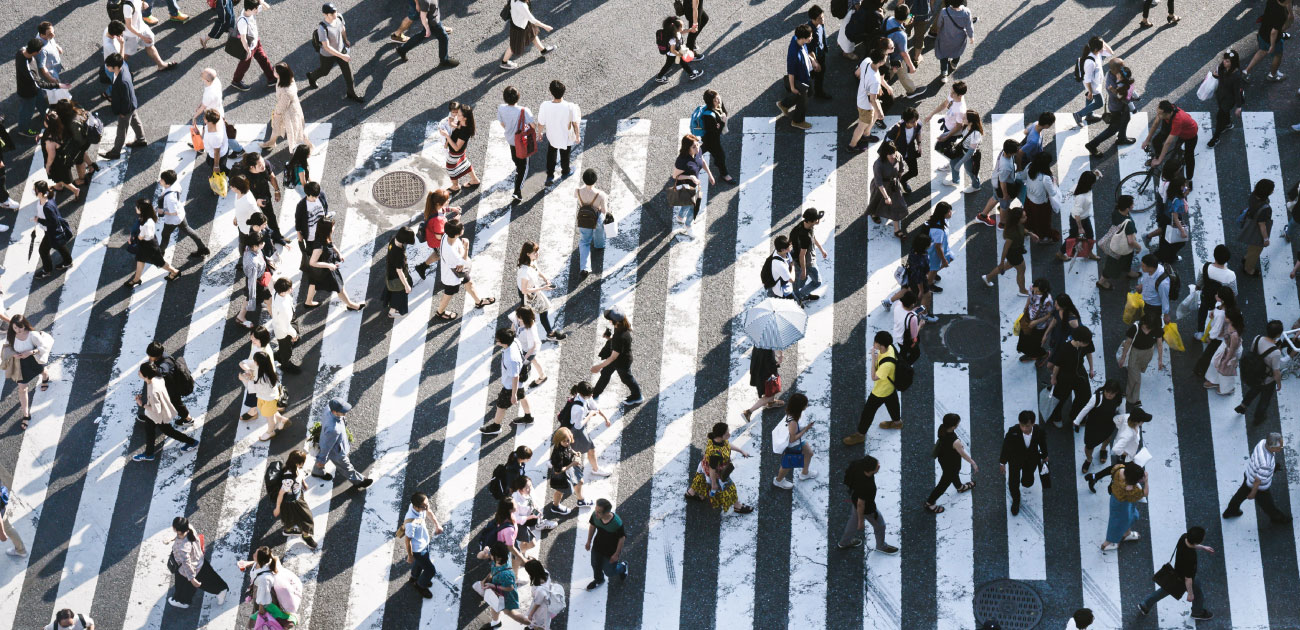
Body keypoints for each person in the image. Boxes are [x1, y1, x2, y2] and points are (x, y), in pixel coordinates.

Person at [1136, 526, 1214, 620]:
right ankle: (1197, 612)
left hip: (1177, 572)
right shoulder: (1190, 557)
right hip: (1186, 578)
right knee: (1197, 593)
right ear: (1198, 541)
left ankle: (1145, 605)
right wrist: (1190, 594)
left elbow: (1191, 544)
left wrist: (1202, 547)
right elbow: (1188, 579)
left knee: (1166, 589)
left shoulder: (1184, 537)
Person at [847, 331, 903, 444]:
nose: (874, 345)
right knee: (892, 403)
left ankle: (860, 434)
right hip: (890, 386)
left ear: (881, 346)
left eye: (876, 344)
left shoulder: (887, 365)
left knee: (868, 411)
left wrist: (873, 359)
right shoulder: (890, 347)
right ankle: (897, 423)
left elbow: (874, 377)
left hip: (881, 390)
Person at [685, 422, 754, 513]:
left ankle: (691, 493)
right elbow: (712, 469)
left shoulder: (715, 439)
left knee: (701, 479)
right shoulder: (715, 454)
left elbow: (727, 445)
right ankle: (737, 506)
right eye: (726, 434)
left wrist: (741, 451)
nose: (729, 434)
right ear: (720, 436)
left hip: (703, 465)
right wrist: (714, 484)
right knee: (730, 487)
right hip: (717, 473)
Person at [1223, 434, 1292, 523]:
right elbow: (1258, 480)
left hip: (1249, 474)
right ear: (1271, 447)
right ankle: (1277, 518)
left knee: (1240, 494)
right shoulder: (1266, 463)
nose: (1281, 448)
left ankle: (1231, 510)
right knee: (1268, 504)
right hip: (1259, 487)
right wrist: (1253, 493)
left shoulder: (1262, 442)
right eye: (1279, 447)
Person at [837, 455, 900, 552]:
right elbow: (861, 505)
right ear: (870, 470)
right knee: (880, 525)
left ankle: (844, 542)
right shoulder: (867, 486)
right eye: (877, 466)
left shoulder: (857, 464)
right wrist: (861, 522)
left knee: (853, 522)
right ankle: (881, 546)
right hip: (867, 509)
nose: (879, 465)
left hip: (855, 498)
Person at [434, 219, 493, 319]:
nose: (463, 228)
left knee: (469, 283)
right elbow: (463, 261)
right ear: (457, 234)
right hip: (452, 276)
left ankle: (478, 301)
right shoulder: (451, 251)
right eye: (462, 228)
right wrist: (466, 247)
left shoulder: (446, 235)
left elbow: (460, 260)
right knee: (448, 294)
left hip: (457, 270)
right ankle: (440, 312)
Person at [1083, 408, 1150, 492]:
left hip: (1127, 454)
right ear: (1136, 421)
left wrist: (1121, 429)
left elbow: (1116, 419)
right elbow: (1115, 450)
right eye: (1142, 421)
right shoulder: (1128, 434)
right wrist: (1124, 453)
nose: (1143, 422)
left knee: (1115, 468)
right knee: (1121, 472)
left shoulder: (1127, 417)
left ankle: (1094, 477)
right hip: (1125, 457)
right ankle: (1109, 485)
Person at [166, 516, 228, 608]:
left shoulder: (182, 548)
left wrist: (192, 579)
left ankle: (182, 601)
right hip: (199, 560)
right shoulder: (190, 528)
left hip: (189, 569)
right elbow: (182, 536)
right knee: (210, 577)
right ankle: (221, 589)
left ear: (176, 529)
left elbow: (186, 564)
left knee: (183, 585)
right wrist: (172, 539)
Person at [311, 398, 373, 488]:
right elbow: (327, 446)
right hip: (337, 451)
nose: (345, 413)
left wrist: (321, 459)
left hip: (330, 441)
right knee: (346, 467)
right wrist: (321, 460)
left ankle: (317, 472)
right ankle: (359, 481)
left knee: (324, 457)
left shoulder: (328, 409)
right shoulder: (333, 429)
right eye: (342, 411)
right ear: (334, 411)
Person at [305, 218, 365, 310]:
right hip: (326, 269)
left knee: (313, 283)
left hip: (319, 270)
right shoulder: (319, 247)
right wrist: (329, 265)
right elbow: (312, 262)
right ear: (327, 229)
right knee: (339, 287)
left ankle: (308, 302)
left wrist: (338, 253)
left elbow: (331, 245)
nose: (334, 227)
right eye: (332, 226)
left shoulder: (322, 236)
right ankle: (351, 305)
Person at [482, 328, 533, 436]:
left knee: (501, 406)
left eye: (497, 340)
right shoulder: (515, 341)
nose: (496, 341)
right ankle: (528, 417)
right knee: (522, 396)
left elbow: (515, 377)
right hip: (519, 383)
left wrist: (513, 395)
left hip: (510, 387)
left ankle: (496, 426)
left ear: (503, 342)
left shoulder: (511, 359)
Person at [923, 413, 978, 514]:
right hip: (952, 463)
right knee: (943, 484)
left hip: (943, 459)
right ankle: (929, 503)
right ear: (953, 426)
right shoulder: (955, 441)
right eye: (957, 424)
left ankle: (960, 487)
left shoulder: (942, 428)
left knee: (953, 475)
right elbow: (963, 454)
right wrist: (973, 463)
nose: (958, 425)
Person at [306, 4, 362, 103]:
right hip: (328, 55)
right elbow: (327, 47)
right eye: (331, 13)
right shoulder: (322, 28)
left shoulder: (339, 17)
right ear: (325, 14)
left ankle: (351, 92)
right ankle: (311, 77)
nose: (334, 14)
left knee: (348, 73)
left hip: (341, 50)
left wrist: (346, 40)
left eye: (335, 11)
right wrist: (342, 56)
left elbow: (342, 29)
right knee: (324, 71)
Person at [1084, 57, 1136, 156]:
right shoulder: (1111, 83)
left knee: (1126, 119)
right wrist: (1130, 96)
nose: (1124, 68)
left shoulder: (1115, 73)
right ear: (1115, 70)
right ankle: (1092, 144)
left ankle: (1121, 138)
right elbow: (1120, 97)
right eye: (1122, 67)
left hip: (1122, 107)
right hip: (1117, 108)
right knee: (1113, 129)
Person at [999, 410, 1047, 516]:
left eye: (1027, 426)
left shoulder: (1039, 431)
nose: (1024, 429)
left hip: (1031, 460)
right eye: (1022, 425)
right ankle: (1016, 501)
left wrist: (1045, 456)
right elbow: (1006, 447)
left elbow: (1043, 444)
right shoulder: (1013, 431)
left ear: (1033, 424)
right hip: (1015, 460)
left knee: (1027, 482)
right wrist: (1002, 463)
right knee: (1013, 483)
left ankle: (1026, 480)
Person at [591, 308, 643, 407]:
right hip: (619, 359)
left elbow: (613, 357)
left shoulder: (620, 336)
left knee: (627, 379)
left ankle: (637, 396)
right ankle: (596, 393)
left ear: (613, 321)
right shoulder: (621, 326)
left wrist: (598, 366)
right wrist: (610, 338)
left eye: (609, 319)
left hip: (621, 363)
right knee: (605, 374)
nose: (609, 320)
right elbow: (618, 347)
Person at [6, 315, 50, 429]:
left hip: (33, 360)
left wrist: (31, 352)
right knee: (22, 388)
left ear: (25, 325)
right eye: (15, 328)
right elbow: (10, 347)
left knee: (43, 372)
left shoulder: (32, 335)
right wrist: (14, 354)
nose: (18, 330)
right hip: (21, 364)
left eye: (20, 327)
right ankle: (26, 414)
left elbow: (44, 347)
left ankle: (45, 378)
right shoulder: (11, 335)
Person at [100, 53, 147, 160]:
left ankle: (115, 152)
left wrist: (122, 113)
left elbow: (125, 99)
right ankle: (141, 139)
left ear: (115, 67)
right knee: (135, 120)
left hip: (125, 108)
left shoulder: (122, 81)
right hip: (131, 104)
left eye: (108, 66)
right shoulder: (123, 67)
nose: (106, 67)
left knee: (121, 130)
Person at [1237, 320, 1284, 424]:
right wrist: (1279, 384)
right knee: (1264, 399)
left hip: (1254, 372)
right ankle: (1258, 418)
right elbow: (1276, 372)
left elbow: (1253, 352)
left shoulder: (1258, 338)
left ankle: (1243, 405)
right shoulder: (1275, 352)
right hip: (1266, 379)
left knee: (1254, 389)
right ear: (1278, 334)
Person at [1045, 326, 1094, 427]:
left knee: (1084, 396)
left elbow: (1089, 353)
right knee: (1060, 398)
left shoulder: (1087, 342)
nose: (1087, 344)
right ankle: (1056, 417)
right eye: (1085, 343)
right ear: (1078, 341)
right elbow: (1057, 366)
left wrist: (1091, 368)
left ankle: (1077, 416)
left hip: (1080, 372)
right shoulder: (1064, 348)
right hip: (1064, 375)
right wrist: (1054, 378)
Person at [1072, 379, 1124, 473]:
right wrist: (1077, 421)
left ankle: (1103, 449)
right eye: (1107, 392)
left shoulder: (1119, 400)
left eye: (1111, 394)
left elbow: (1121, 413)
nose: (1108, 395)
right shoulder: (1096, 398)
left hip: (1108, 424)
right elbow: (1086, 409)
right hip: (1093, 425)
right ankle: (1089, 459)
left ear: (1116, 392)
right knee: (1089, 445)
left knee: (1107, 438)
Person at [13, 39, 63, 138]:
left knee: (42, 102)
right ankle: (23, 130)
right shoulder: (28, 67)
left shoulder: (21, 51)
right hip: (28, 93)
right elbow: (39, 83)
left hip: (34, 88)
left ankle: (48, 117)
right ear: (35, 52)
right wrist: (58, 85)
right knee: (27, 111)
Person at [517, 242, 565, 340]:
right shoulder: (524, 271)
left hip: (534, 291)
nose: (537, 254)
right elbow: (524, 290)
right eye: (535, 252)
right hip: (528, 295)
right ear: (528, 254)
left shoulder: (532, 261)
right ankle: (519, 332)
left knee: (541, 311)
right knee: (528, 316)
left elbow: (537, 270)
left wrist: (545, 279)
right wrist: (542, 288)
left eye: (537, 251)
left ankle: (550, 333)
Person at [155, 170, 209, 258]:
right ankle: (202, 248)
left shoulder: (169, 198)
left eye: (162, 179)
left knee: (165, 235)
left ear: (167, 183)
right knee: (188, 229)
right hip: (181, 214)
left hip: (172, 219)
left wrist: (162, 211)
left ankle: (161, 252)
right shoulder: (176, 185)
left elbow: (174, 212)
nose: (160, 180)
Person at [536, 80, 580, 186]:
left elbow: (541, 123)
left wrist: (540, 133)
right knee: (565, 156)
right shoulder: (570, 106)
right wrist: (577, 136)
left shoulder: (545, 105)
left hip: (552, 137)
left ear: (551, 92)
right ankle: (565, 171)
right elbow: (575, 124)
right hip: (566, 138)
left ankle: (550, 175)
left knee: (551, 154)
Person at [473, 543, 529, 626]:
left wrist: (493, 586)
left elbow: (510, 588)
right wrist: (484, 552)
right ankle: (496, 622)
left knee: (509, 612)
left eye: (491, 554)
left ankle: (533, 625)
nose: (489, 555)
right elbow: (479, 556)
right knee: (495, 605)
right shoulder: (503, 555)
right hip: (498, 590)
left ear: (496, 558)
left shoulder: (506, 575)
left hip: (505, 595)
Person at [1116, 312, 1164, 408]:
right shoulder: (1135, 328)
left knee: (1138, 370)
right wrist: (1123, 357)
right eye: (1146, 326)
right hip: (1135, 352)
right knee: (1136, 378)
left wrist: (1160, 360)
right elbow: (1128, 343)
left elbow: (1159, 344)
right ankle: (1133, 399)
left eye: (1150, 328)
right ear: (1143, 322)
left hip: (1148, 353)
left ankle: (1131, 371)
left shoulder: (1157, 328)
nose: (1148, 330)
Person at [238, 352, 289, 441]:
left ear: (258, 363)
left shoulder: (262, 378)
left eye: (254, 361)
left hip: (268, 399)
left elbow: (253, 389)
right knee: (269, 411)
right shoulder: (268, 369)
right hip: (268, 397)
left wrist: (244, 379)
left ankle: (270, 432)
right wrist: (250, 376)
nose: (253, 362)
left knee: (270, 418)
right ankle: (281, 419)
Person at [242, 546, 298, 627]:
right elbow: (256, 562)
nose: (253, 554)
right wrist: (248, 563)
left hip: (264, 595)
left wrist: (261, 614)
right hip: (261, 590)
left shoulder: (264, 580)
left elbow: (263, 600)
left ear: (260, 560)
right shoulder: (265, 562)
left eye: (255, 554)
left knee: (263, 620)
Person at [669, 135, 712, 239]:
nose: (697, 148)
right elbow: (675, 176)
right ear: (687, 147)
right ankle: (688, 226)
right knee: (694, 207)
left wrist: (710, 175)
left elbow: (702, 160)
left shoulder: (698, 151)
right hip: (685, 188)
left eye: (697, 145)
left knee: (689, 205)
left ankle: (680, 217)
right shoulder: (682, 160)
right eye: (693, 147)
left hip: (695, 185)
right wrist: (690, 177)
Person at [402, 492, 444, 599]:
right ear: (415, 506)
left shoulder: (421, 507)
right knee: (430, 570)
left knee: (420, 563)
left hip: (424, 543)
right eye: (423, 506)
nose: (426, 507)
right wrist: (410, 556)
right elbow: (408, 541)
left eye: (427, 503)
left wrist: (437, 525)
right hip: (418, 550)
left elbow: (429, 512)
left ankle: (414, 578)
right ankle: (420, 585)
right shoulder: (411, 524)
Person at [261, 63, 310, 152]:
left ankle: (303, 148)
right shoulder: (288, 79)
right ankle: (272, 142)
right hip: (292, 108)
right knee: (279, 127)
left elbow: (283, 105)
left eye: (275, 71)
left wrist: (277, 113)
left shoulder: (286, 91)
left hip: (289, 113)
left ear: (280, 74)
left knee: (294, 132)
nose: (273, 72)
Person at [274, 449, 317, 548]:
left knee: (289, 518)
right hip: (292, 501)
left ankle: (288, 531)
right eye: (302, 462)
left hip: (297, 495)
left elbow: (299, 475)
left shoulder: (293, 468)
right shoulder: (288, 479)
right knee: (307, 519)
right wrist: (277, 508)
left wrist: (303, 483)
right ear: (298, 463)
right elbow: (281, 494)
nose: (303, 464)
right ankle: (305, 536)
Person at [1095, 195, 1140, 291]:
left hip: (1117, 239)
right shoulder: (1128, 224)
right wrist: (1138, 247)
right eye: (1132, 204)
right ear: (1128, 207)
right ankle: (1102, 282)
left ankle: (1127, 271)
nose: (1133, 205)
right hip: (1120, 246)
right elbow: (1131, 241)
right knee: (1112, 264)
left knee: (1127, 258)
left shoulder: (1116, 212)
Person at [498, 87, 534, 203]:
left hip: (511, 139)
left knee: (515, 157)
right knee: (524, 166)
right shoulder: (524, 111)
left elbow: (502, 123)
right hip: (522, 142)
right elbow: (532, 126)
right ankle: (517, 190)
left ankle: (517, 166)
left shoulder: (501, 108)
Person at [1145, 101, 1198, 182]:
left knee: (1189, 157)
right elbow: (1156, 123)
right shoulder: (1166, 110)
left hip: (1190, 133)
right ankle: (1158, 157)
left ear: (1168, 113)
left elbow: (1168, 143)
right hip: (1173, 124)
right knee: (1156, 140)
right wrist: (1147, 140)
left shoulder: (1178, 120)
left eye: (1160, 114)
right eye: (1157, 112)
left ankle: (1189, 179)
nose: (1158, 116)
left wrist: (1159, 161)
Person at [395, 0, 459, 67]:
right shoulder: (425, 2)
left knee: (422, 35)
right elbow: (423, 17)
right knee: (444, 38)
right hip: (433, 23)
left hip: (433, 19)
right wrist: (427, 29)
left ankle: (402, 50)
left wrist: (416, 3)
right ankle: (444, 60)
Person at [412, 188, 458, 281]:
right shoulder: (438, 220)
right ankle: (454, 274)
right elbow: (439, 236)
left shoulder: (432, 208)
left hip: (432, 239)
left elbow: (442, 210)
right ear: (438, 203)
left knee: (438, 255)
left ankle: (422, 267)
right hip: (438, 241)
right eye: (446, 200)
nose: (448, 200)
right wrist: (455, 223)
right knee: (448, 256)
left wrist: (452, 209)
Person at [1100, 462, 1147, 552]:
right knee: (1118, 522)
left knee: (1125, 518)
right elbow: (1144, 493)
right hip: (1123, 504)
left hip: (1116, 498)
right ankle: (1108, 542)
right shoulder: (1132, 490)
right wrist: (1146, 481)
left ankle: (1126, 533)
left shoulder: (1119, 468)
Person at [230, 0, 275, 92]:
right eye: (256, 9)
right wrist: (248, 50)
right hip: (249, 47)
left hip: (255, 42)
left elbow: (267, 7)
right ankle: (236, 81)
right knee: (244, 65)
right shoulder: (242, 21)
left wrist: (260, 1)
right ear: (250, 9)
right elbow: (243, 39)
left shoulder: (250, 11)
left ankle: (272, 78)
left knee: (263, 58)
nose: (257, 11)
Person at [145, 341, 194, 426]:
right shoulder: (162, 355)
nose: (149, 357)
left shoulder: (166, 363)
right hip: (170, 385)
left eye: (150, 356)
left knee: (176, 403)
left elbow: (162, 371)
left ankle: (188, 419)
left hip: (172, 388)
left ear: (157, 356)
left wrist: (148, 369)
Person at [584, 499, 629, 590]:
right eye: (596, 510)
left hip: (611, 551)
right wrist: (589, 541)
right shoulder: (595, 516)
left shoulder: (616, 523)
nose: (595, 514)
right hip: (597, 547)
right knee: (595, 565)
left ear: (607, 513)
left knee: (610, 572)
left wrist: (616, 554)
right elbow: (592, 526)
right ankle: (599, 580)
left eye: (599, 512)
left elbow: (622, 538)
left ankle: (623, 567)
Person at [846, 50, 886, 152]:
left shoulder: (867, 61)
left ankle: (866, 134)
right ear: (881, 62)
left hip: (861, 97)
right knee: (861, 126)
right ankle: (852, 146)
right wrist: (880, 112)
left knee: (874, 116)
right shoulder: (875, 80)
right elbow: (872, 99)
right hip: (866, 105)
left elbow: (858, 73)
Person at [773, 392, 816, 489]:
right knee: (787, 465)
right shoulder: (793, 422)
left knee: (809, 453)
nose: (807, 405)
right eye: (805, 404)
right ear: (799, 407)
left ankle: (805, 473)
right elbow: (792, 439)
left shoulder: (795, 413)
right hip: (794, 445)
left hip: (800, 441)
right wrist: (806, 429)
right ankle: (778, 481)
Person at [31, 181, 72, 280]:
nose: (33, 191)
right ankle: (68, 261)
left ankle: (47, 270)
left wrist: (39, 220)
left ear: (40, 193)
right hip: (52, 231)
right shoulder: (47, 198)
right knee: (59, 245)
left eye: (34, 190)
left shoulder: (47, 206)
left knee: (43, 251)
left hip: (51, 231)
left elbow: (52, 223)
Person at [778, 24, 815, 131]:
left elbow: (805, 53)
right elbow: (791, 72)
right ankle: (798, 121)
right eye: (809, 37)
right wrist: (793, 87)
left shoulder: (797, 39)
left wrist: (812, 60)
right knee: (803, 100)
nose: (811, 38)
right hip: (800, 80)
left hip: (805, 76)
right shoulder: (794, 54)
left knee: (808, 93)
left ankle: (784, 104)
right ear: (803, 38)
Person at [1058, 171, 1102, 260]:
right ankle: (1060, 253)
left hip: (1085, 217)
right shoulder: (1081, 197)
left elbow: (1091, 180)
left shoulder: (1082, 185)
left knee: (1090, 236)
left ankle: (1089, 253)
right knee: (1073, 237)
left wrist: (1097, 175)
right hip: (1077, 220)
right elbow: (1077, 214)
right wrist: (1080, 227)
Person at [868, 143, 909, 238]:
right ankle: (874, 214)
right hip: (881, 186)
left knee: (898, 205)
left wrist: (897, 180)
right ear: (884, 154)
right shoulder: (878, 164)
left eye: (894, 153)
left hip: (893, 185)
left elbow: (901, 169)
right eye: (890, 154)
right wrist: (886, 197)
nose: (893, 156)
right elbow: (879, 182)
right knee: (877, 201)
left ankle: (896, 230)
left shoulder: (898, 157)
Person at [1206, 50, 1245, 148]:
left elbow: (1237, 92)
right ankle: (1228, 124)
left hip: (1229, 99)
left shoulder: (1236, 75)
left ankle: (1215, 138)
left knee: (1220, 117)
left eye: (1227, 61)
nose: (1224, 62)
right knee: (1224, 112)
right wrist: (1215, 75)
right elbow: (1219, 75)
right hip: (1220, 94)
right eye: (1224, 59)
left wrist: (1238, 106)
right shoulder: (1222, 67)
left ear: (1233, 63)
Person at [548, 427, 591, 516]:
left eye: (568, 440)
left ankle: (581, 500)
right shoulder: (558, 454)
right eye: (564, 441)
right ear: (559, 440)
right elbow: (557, 471)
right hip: (561, 475)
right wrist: (573, 463)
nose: (567, 443)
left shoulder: (565, 445)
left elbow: (569, 449)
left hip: (569, 468)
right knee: (560, 492)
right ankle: (555, 506)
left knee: (580, 481)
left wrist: (575, 453)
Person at [501, 0, 555, 70]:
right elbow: (533, 20)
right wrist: (545, 26)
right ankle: (504, 63)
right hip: (520, 28)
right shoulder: (522, 6)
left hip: (522, 22)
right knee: (513, 46)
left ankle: (543, 50)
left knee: (533, 35)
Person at [1243, 0, 1289, 81]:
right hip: (1272, 39)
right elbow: (1274, 32)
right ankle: (1273, 75)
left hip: (1262, 32)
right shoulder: (1282, 14)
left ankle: (1246, 71)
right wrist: (1272, 45)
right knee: (1278, 55)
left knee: (1262, 50)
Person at [1195, 246, 1237, 335]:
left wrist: (1197, 289)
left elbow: (1199, 283)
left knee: (1202, 312)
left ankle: (1200, 332)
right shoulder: (1230, 275)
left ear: (1214, 255)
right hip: (1221, 301)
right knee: (1218, 317)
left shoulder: (1205, 267)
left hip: (1206, 296)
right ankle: (1213, 333)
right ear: (1227, 259)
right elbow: (1234, 292)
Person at [575, 169, 608, 279]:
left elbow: (578, 200)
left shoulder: (578, 191)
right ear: (595, 180)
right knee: (599, 230)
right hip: (596, 218)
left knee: (584, 241)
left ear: (583, 180)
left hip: (584, 219)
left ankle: (585, 267)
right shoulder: (601, 195)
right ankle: (599, 245)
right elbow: (604, 211)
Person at [1021, 152, 1061, 242]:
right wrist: (1054, 182)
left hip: (1029, 197)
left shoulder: (1029, 166)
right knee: (1043, 221)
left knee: (1029, 215)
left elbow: (1023, 177)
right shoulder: (1046, 178)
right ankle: (1042, 235)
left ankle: (1029, 227)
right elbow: (1053, 193)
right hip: (1041, 202)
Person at [1204, 307, 1244, 396]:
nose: (1224, 316)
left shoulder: (1234, 335)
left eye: (1226, 316)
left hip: (1231, 352)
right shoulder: (1229, 323)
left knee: (1225, 370)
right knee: (1214, 362)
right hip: (1225, 346)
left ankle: (1227, 389)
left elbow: (1233, 349)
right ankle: (1214, 381)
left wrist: (1226, 360)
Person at [1239, 179, 1275, 278]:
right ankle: (1248, 268)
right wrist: (1266, 239)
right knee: (1255, 250)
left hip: (1251, 221)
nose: (1273, 191)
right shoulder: (1265, 208)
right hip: (1257, 231)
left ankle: (1247, 258)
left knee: (1252, 247)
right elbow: (1262, 225)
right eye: (1272, 189)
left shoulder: (1253, 196)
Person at [442, 104, 481, 192]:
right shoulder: (462, 123)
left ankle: (455, 186)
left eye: (459, 115)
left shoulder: (465, 131)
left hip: (456, 152)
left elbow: (456, 148)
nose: (456, 115)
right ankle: (474, 180)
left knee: (450, 168)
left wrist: (447, 136)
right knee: (464, 162)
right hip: (461, 151)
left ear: (465, 118)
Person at [698, 90, 734, 184]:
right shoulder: (708, 116)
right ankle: (724, 174)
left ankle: (687, 158)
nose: (718, 101)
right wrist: (722, 122)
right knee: (720, 156)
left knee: (701, 150)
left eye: (718, 97)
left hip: (710, 138)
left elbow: (724, 112)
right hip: (711, 140)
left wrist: (720, 122)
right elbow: (715, 133)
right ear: (710, 102)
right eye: (715, 100)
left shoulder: (718, 105)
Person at [40, 113, 79, 199]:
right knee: (58, 176)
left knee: (61, 178)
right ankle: (58, 186)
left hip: (57, 163)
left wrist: (47, 166)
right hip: (63, 157)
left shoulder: (50, 140)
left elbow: (51, 156)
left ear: (48, 124)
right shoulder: (59, 128)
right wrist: (42, 135)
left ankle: (75, 190)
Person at [884, 108, 923, 194]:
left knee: (914, 172)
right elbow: (887, 139)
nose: (915, 123)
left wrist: (919, 144)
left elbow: (918, 132)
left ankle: (903, 181)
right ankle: (893, 188)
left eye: (916, 120)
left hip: (910, 151)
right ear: (906, 121)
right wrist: (892, 153)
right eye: (912, 121)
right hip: (898, 152)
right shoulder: (897, 128)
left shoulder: (918, 124)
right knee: (894, 173)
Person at [653, 17, 702, 84]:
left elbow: (682, 31)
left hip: (671, 53)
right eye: (682, 26)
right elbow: (672, 50)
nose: (683, 27)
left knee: (670, 64)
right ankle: (691, 74)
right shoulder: (673, 39)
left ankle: (691, 74)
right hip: (673, 54)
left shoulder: (674, 32)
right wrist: (679, 54)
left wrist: (690, 30)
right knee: (671, 64)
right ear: (676, 28)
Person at [933, 0, 974, 81]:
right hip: (959, 38)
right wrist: (971, 37)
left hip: (945, 37)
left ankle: (944, 73)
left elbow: (939, 24)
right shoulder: (966, 12)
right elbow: (969, 26)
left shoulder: (944, 11)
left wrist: (938, 31)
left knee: (943, 54)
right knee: (957, 51)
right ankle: (954, 63)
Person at [942, 110, 982, 192]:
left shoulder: (975, 134)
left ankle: (976, 186)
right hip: (962, 149)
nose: (962, 118)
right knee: (953, 162)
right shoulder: (966, 126)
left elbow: (971, 152)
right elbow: (961, 133)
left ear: (970, 122)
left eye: (965, 117)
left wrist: (960, 163)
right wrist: (946, 134)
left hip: (970, 155)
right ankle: (955, 180)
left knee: (970, 171)